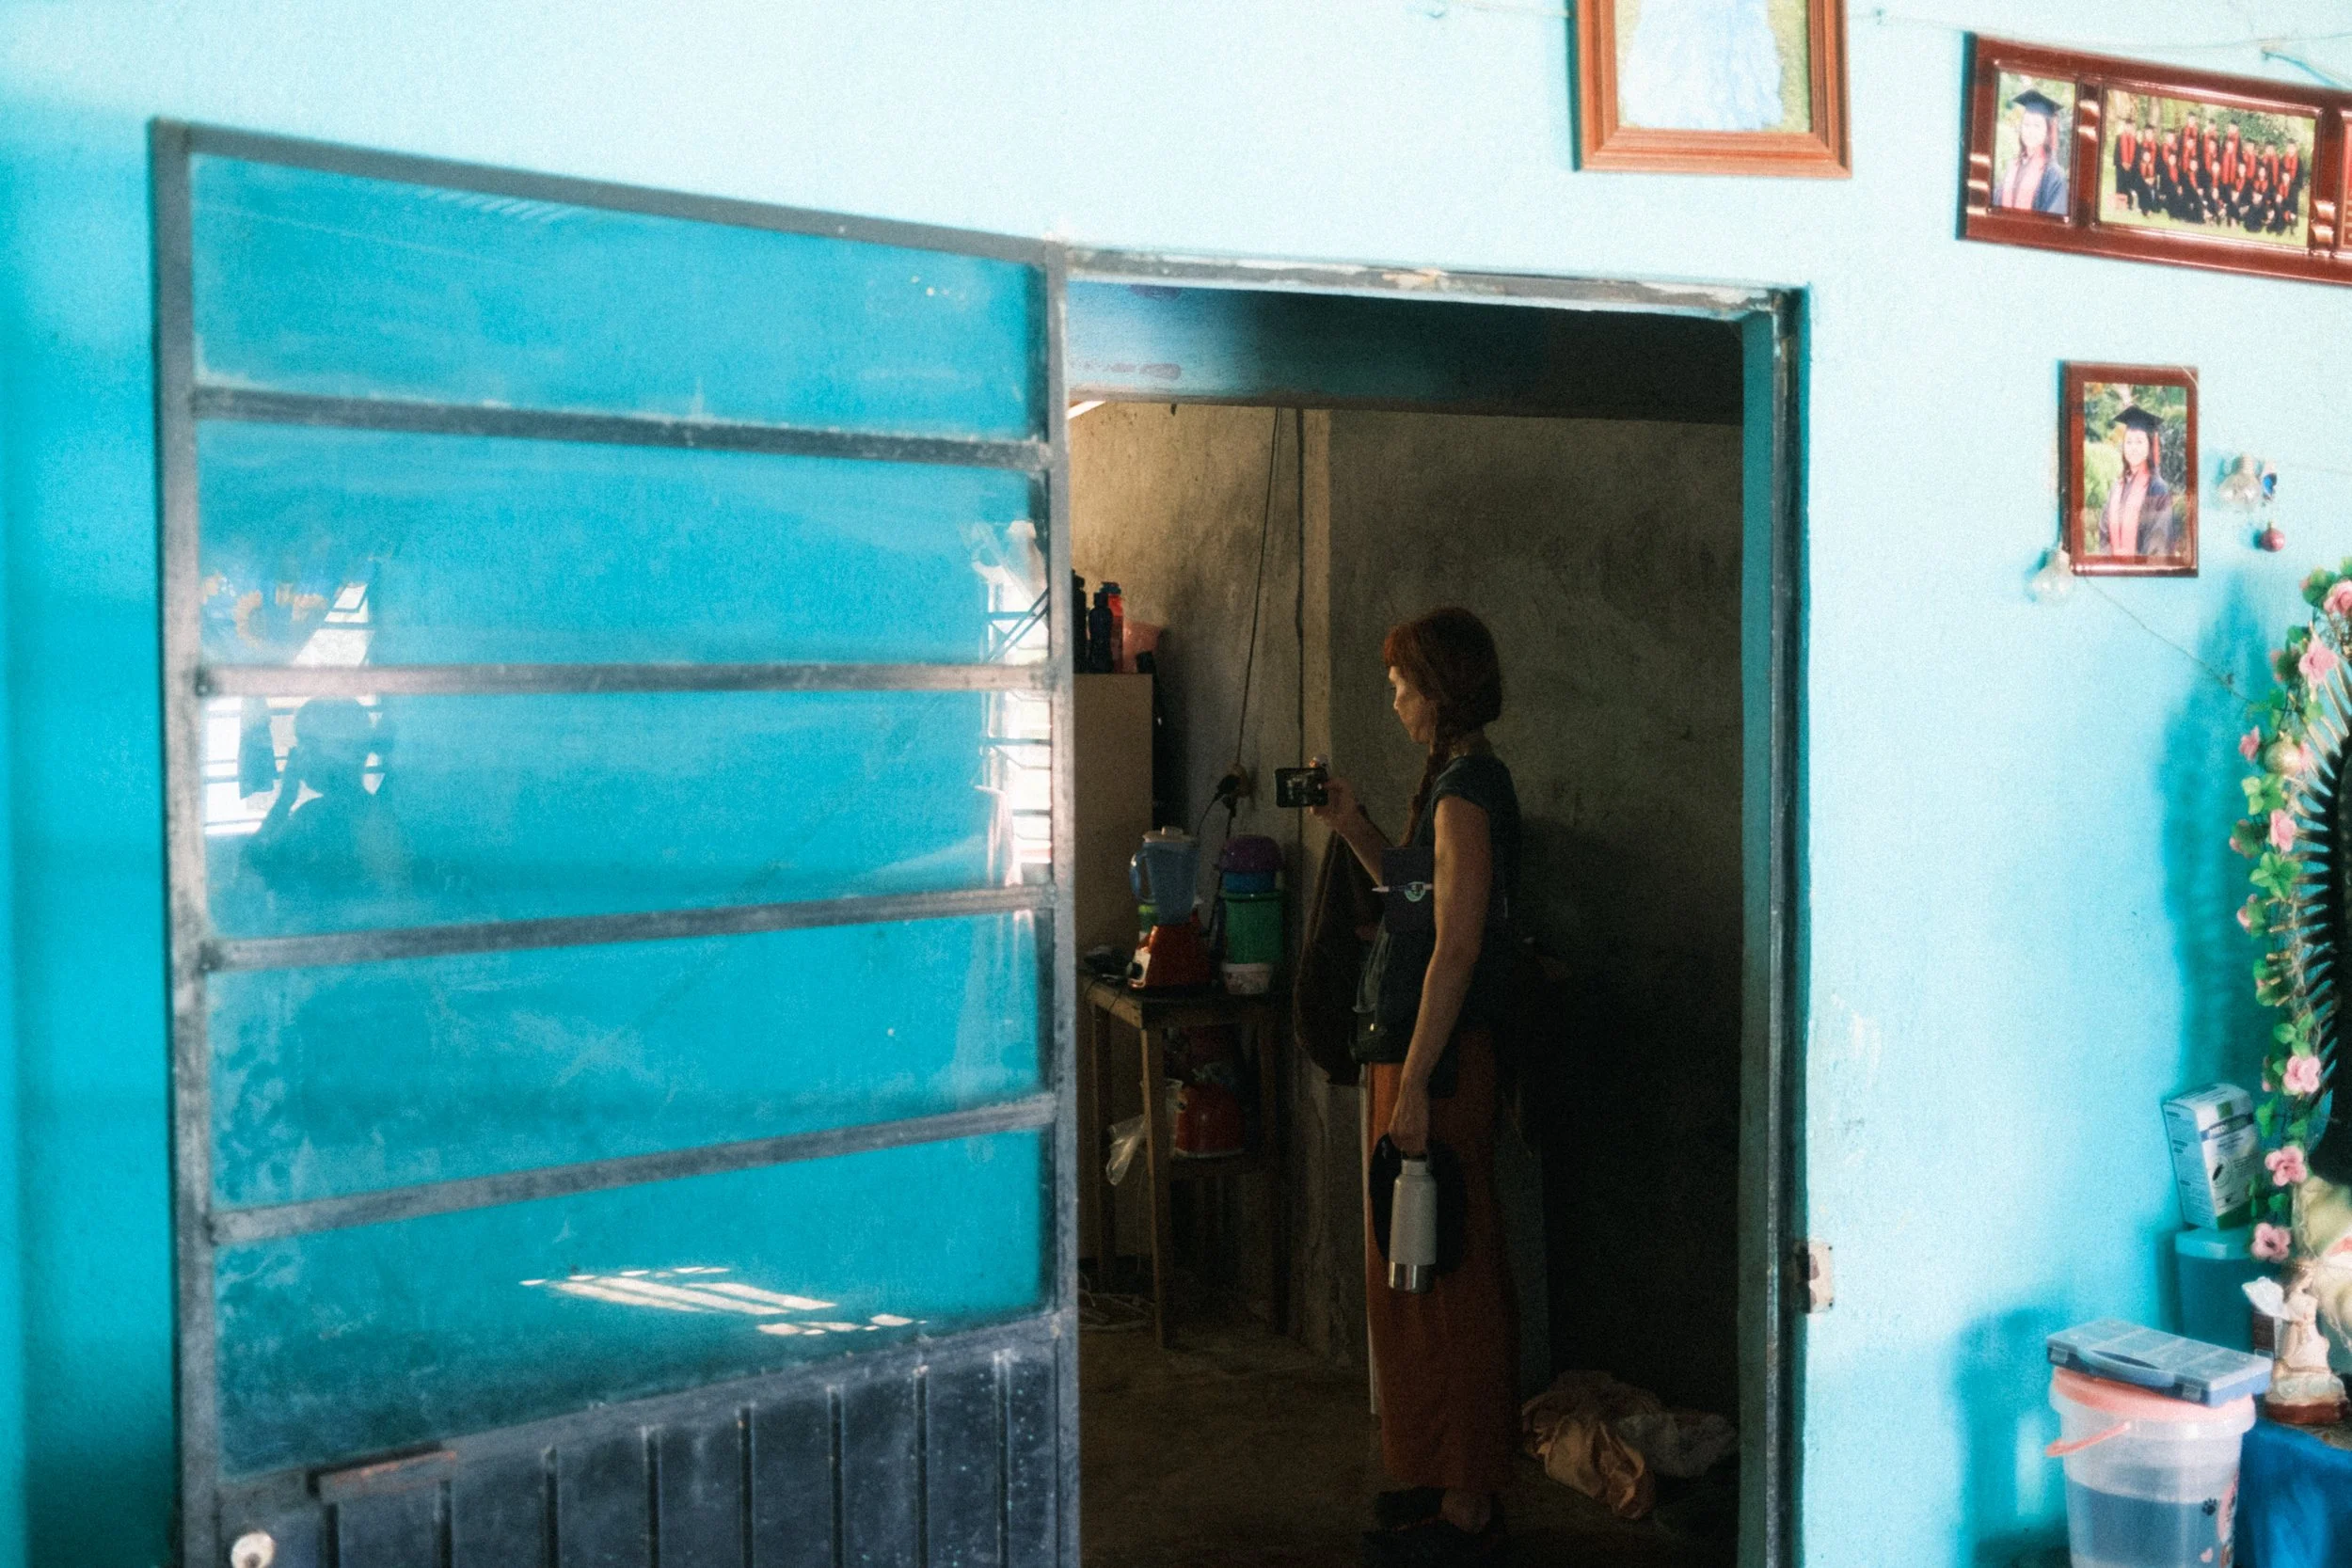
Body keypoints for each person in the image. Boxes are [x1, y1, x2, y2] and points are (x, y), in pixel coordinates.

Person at [1313, 607, 1521, 1567]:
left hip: (1435, 1063)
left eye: (1401, 684)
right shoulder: (1449, 784)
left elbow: (1458, 943)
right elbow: (1417, 900)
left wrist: (1418, 1082)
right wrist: (1353, 826)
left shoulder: (1467, 792)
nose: (1393, 698)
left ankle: (1468, 1498)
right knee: (1415, 1274)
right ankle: (1443, 1477)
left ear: (1437, 692)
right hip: (1416, 1057)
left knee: (1449, 1280)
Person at [2093, 405, 2178, 560]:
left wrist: (2133, 566)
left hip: (2142, 571)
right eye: (2129, 442)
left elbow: (2158, 540)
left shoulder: (2157, 488)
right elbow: (2104, 533)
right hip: (2112, 570)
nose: (2133, 448)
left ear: (2149, 446)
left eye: (2139, 442)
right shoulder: (2116, 487)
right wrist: (2110, 563)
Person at [1994, 88, 2068, 215]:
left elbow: (2053, 221)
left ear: (2047, 131)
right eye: (2026, 124)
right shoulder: (2013, 166)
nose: (2030, 131)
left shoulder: (2054, 175)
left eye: (2037, 125)